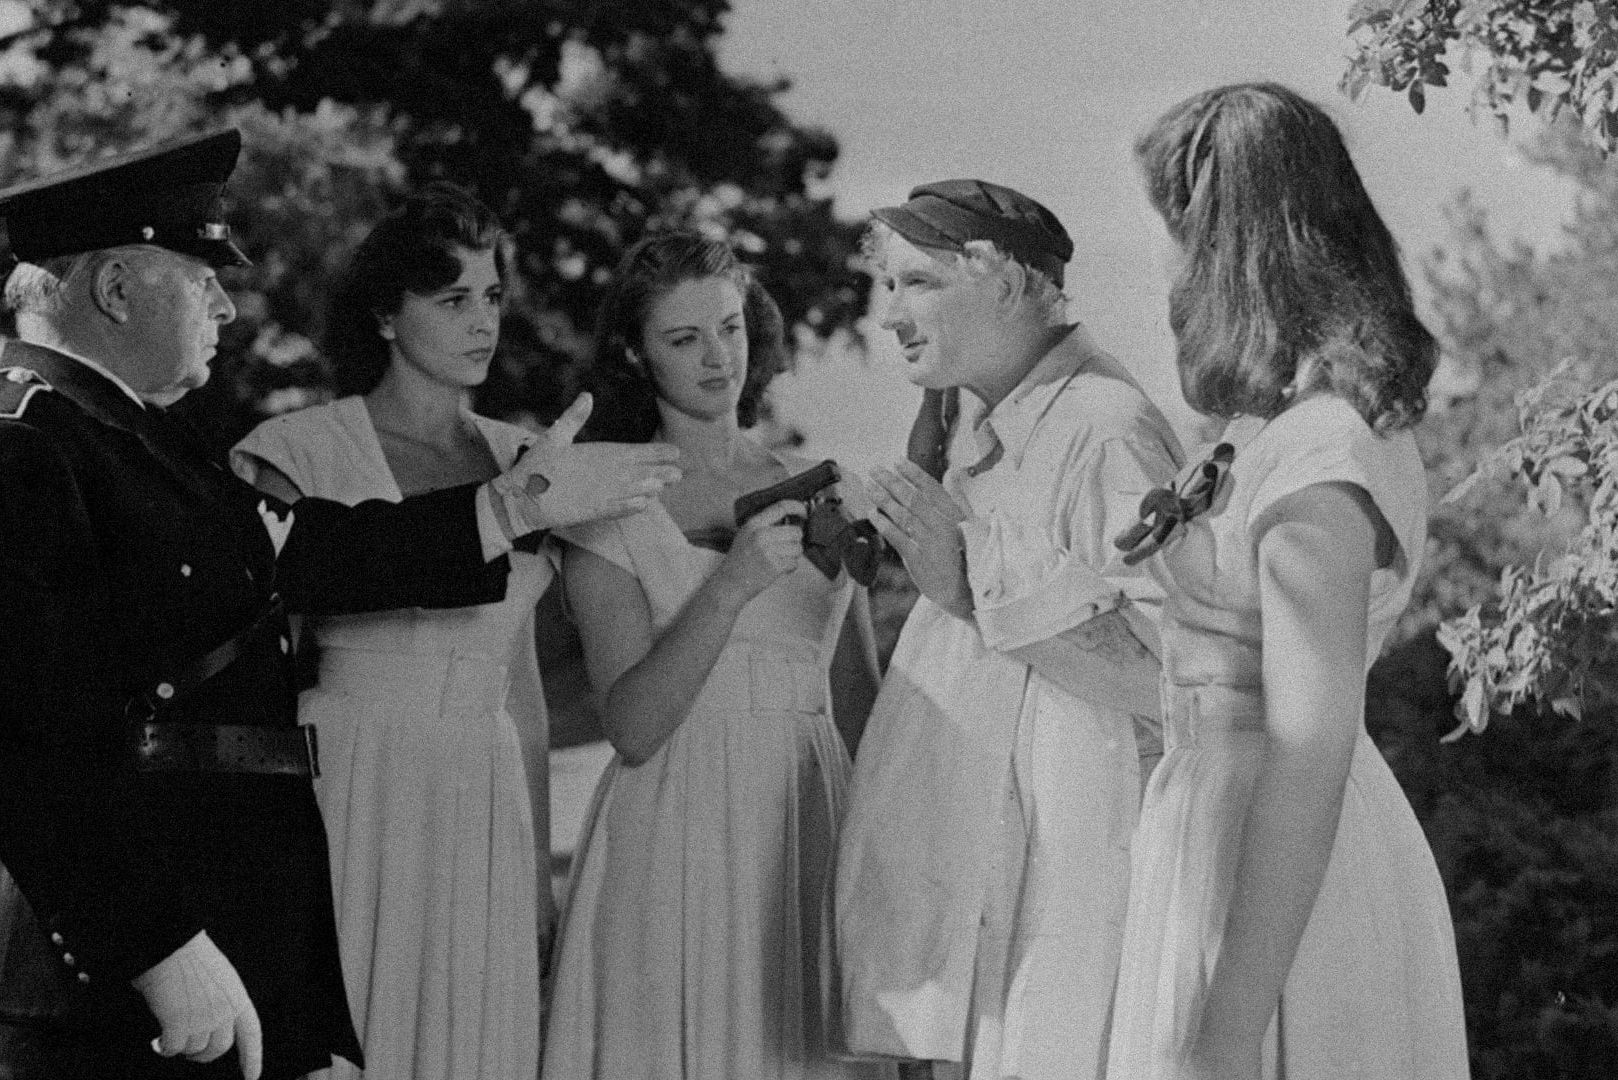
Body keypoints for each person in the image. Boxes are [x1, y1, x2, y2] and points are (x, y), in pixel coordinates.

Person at [0, 128, 680, 1080]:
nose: (226, 305)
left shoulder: (139, 442)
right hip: (117, 980)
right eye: (201, 280)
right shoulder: (13, 450)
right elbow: (13, 746)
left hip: (218, 928)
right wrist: (155, 947)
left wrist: (510, 506)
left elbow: (314, 551)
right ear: (115, 288)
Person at [1105, 82, 1468, 1080]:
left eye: (1174, 232)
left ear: (1227, 247)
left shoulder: (1323, 457)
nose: (1163, 265)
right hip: (1210, 844)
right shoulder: (1269, 433)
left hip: (1284, 882)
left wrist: (1226, 1034)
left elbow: (1309, 753)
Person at [831, 179, 1181, 1080]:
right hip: (976, 907)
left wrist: (969, 583)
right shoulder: (978, 422)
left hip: (1064, 899)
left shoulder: (1105, 430)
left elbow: (1174, 680)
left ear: (1012, 285)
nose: (891, 315)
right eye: (888, 286)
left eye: (919, 283)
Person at [540, 232, 883, 1080]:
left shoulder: (823, 486)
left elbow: (861, 703)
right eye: (683, 338)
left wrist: (890, 861)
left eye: (728, 328)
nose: (717, 357)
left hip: (810, 815)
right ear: (635, 353)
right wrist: (729, 586)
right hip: (676, 828)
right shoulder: (610, 503)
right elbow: (632, 728)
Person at [227, 182, 551, 1080]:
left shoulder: (527, 461)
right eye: (452, 299)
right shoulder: (297, 451)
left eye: (492, 296)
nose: (482, 321)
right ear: (383, 315)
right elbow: (258, 677)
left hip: (482, 782)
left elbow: (523, 685)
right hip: (348, 777)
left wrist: (535, 871)